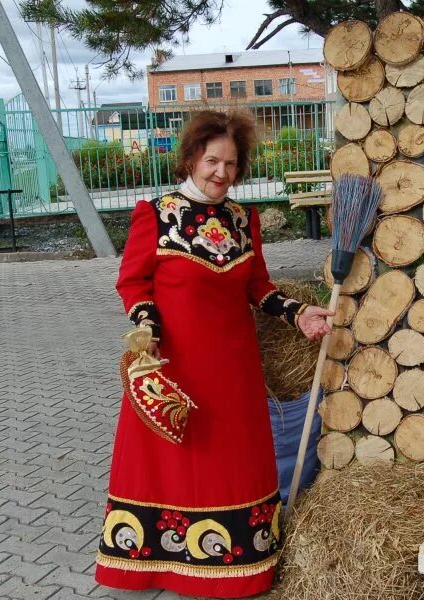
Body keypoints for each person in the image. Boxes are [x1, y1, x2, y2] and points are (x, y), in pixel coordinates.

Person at [95, 109, 333, 598]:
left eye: (230, 163)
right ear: (190, 160)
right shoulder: (156, 214)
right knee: (170, 463)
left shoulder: (244, 220)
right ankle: (159, 565)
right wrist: (147, 331)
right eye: (211, 161)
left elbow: (258, 287)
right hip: (174, 363)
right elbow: (133, 282)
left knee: (232, 463)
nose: (221, 173)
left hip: (234, 369)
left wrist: (299, 314)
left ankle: (237, 566)